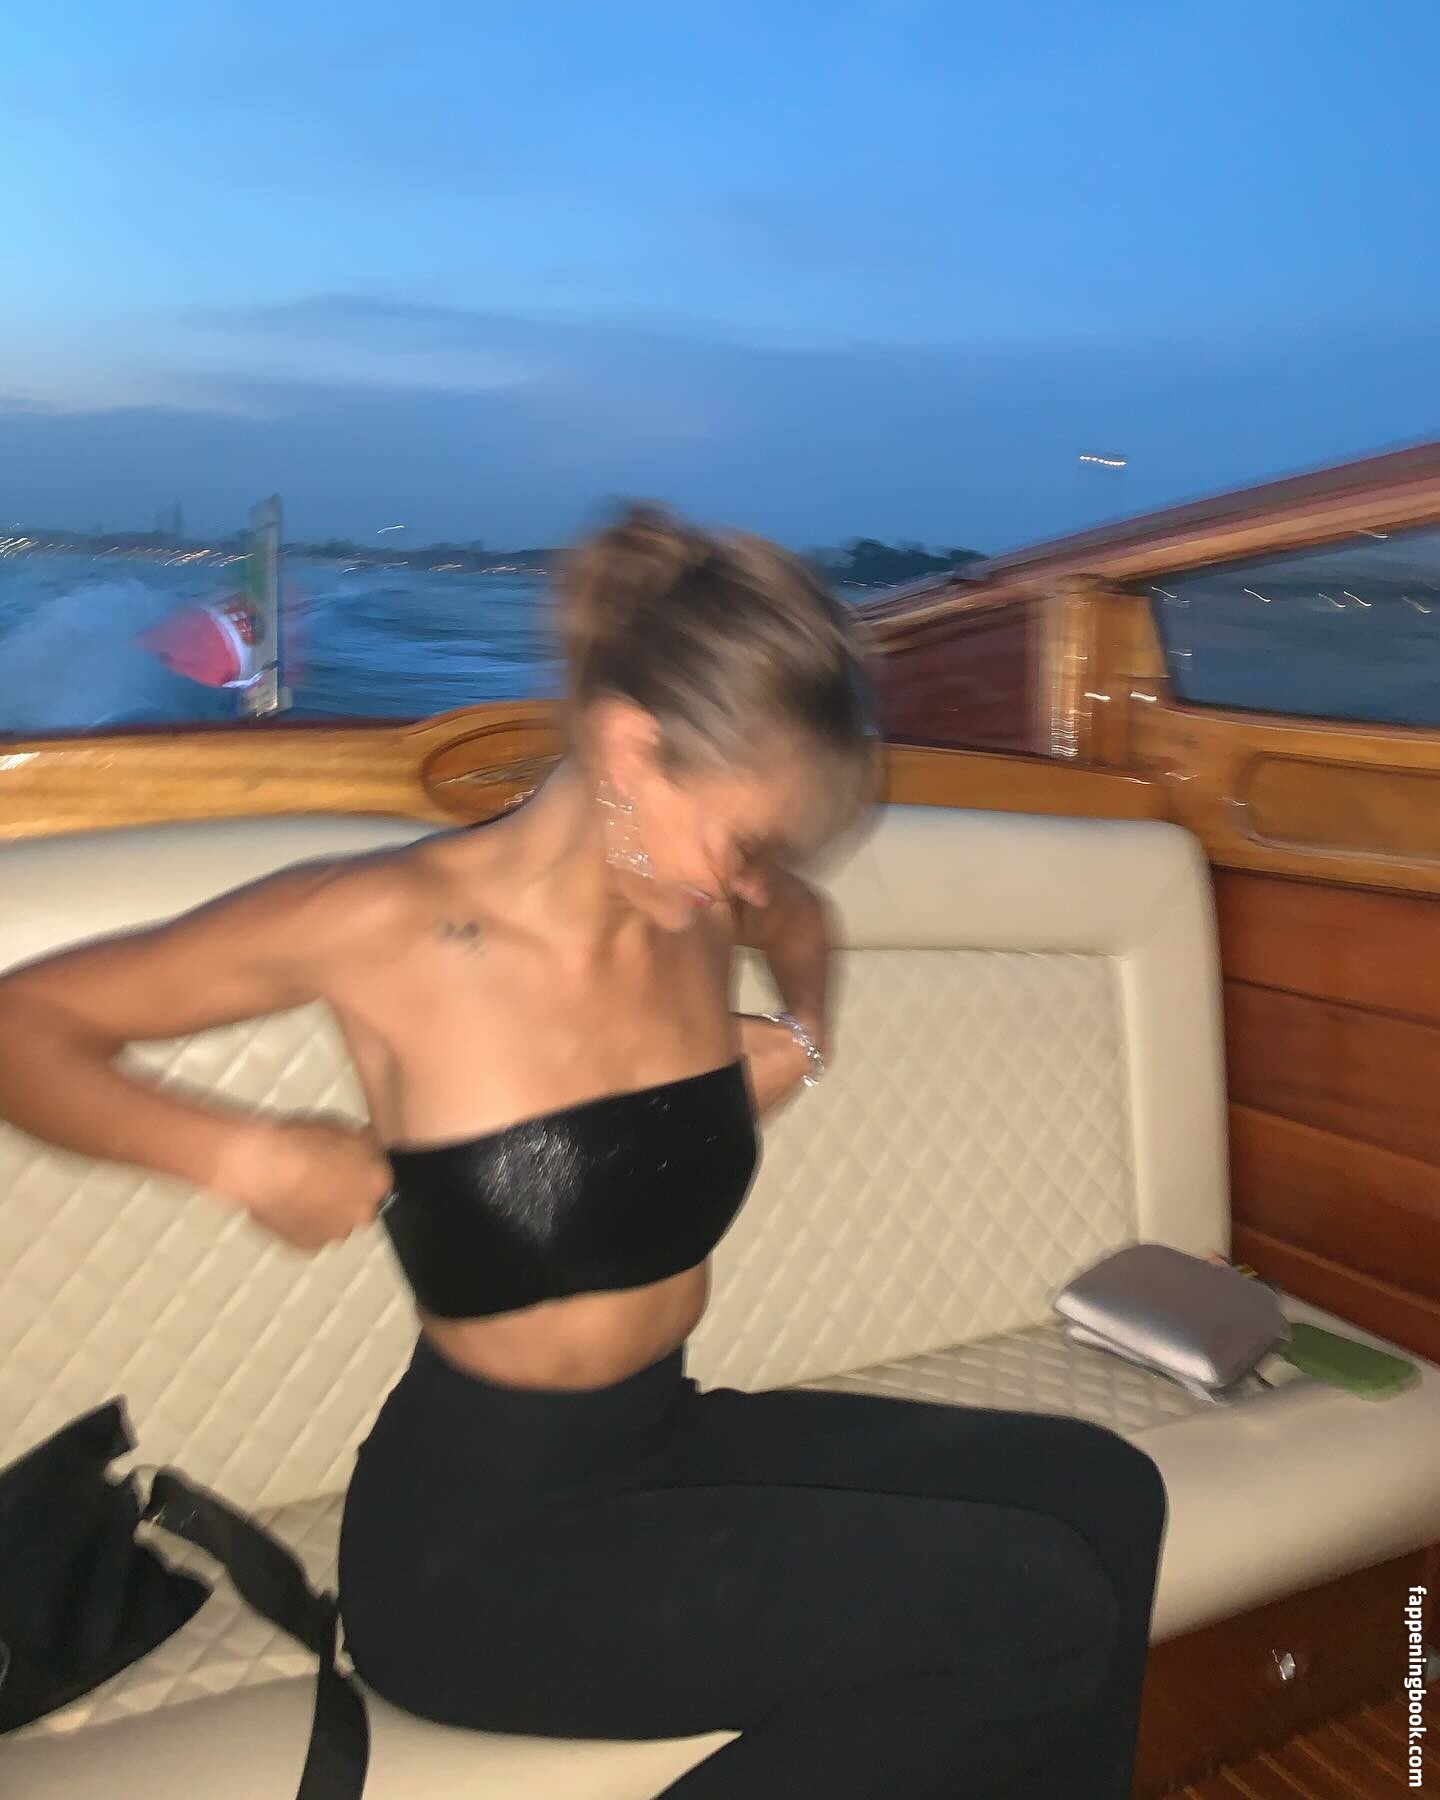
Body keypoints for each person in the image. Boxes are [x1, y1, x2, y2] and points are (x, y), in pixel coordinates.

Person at [0, 505, 1166, 1798]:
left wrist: (801, 1035)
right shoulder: (396, 922)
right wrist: (243, 1155)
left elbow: (800, 915)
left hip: (660, 1440)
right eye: (742, 841)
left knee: (1106, 1490)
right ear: (629, 748)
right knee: (1027, 1611)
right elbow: (24, 1028)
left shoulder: (692, 901)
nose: (748, 881)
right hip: (476, 1557)